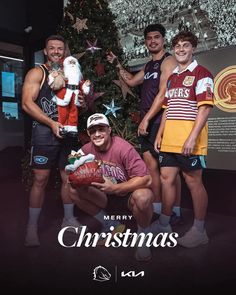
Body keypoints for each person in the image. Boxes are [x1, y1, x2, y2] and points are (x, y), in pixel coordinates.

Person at [107, 24, 182, 222]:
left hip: (162, 121)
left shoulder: (169, 61)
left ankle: (176, 212)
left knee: (171, 172)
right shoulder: (149, 65)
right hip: (147, 122)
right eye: (149, 38)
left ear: (163, 39)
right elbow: (131, 81)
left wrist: (147, 119)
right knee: (151, 168)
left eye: (156, 37)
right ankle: (157, 209)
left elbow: (164, 93)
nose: (152, 41)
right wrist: (117, 64)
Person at [22, 35, 84, 247]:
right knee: (40, 179)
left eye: (60, 48)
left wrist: (82, 99)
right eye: (52, 48)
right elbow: (27, 103)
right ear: (46, 51)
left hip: (68, 133)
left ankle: (68, 219)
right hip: (44, 132)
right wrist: (50, 123)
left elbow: (77, 102)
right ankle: (32, 228)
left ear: (64, 51)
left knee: (68, 177)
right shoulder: (37, 72)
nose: (56, 51)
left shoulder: (71, 73)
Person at [154, 31, 214, 247]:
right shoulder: (172, 78)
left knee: (193, 181)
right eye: (177, 46)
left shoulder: (202, 73)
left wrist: (192, 138)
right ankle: (164, 224)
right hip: (169, 140)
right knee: (166, 179)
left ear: (193, 48)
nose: (180, 49)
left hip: (189, 141)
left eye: (185, 45)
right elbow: (167, 110)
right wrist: (160, 133)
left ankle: (199, 231)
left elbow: (205, 109)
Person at [69, 113, 154, 261]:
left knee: (144, 197)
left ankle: (143, 237)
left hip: (127, 195)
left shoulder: (123, 148)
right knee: (72, 190)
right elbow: (72, 173)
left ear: (109, 130)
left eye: (101, 129)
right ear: (88, 134)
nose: (97, 134)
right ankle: (111, 224)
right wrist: (76, 177)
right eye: (92, 131)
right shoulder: (85, 150)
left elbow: (147, 179)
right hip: (103, 196)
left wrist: (115, 188)